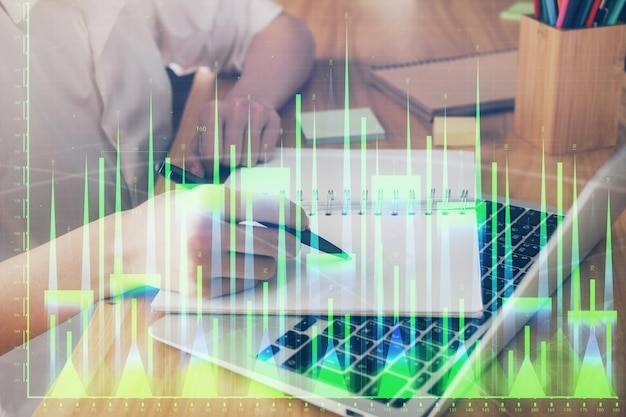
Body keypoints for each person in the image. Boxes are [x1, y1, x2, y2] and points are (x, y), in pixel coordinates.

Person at [0, 0, 315, 356]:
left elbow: (280, 30)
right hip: (54, 379)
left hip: (167, 316)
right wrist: (123, 249)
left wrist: (248, 102)